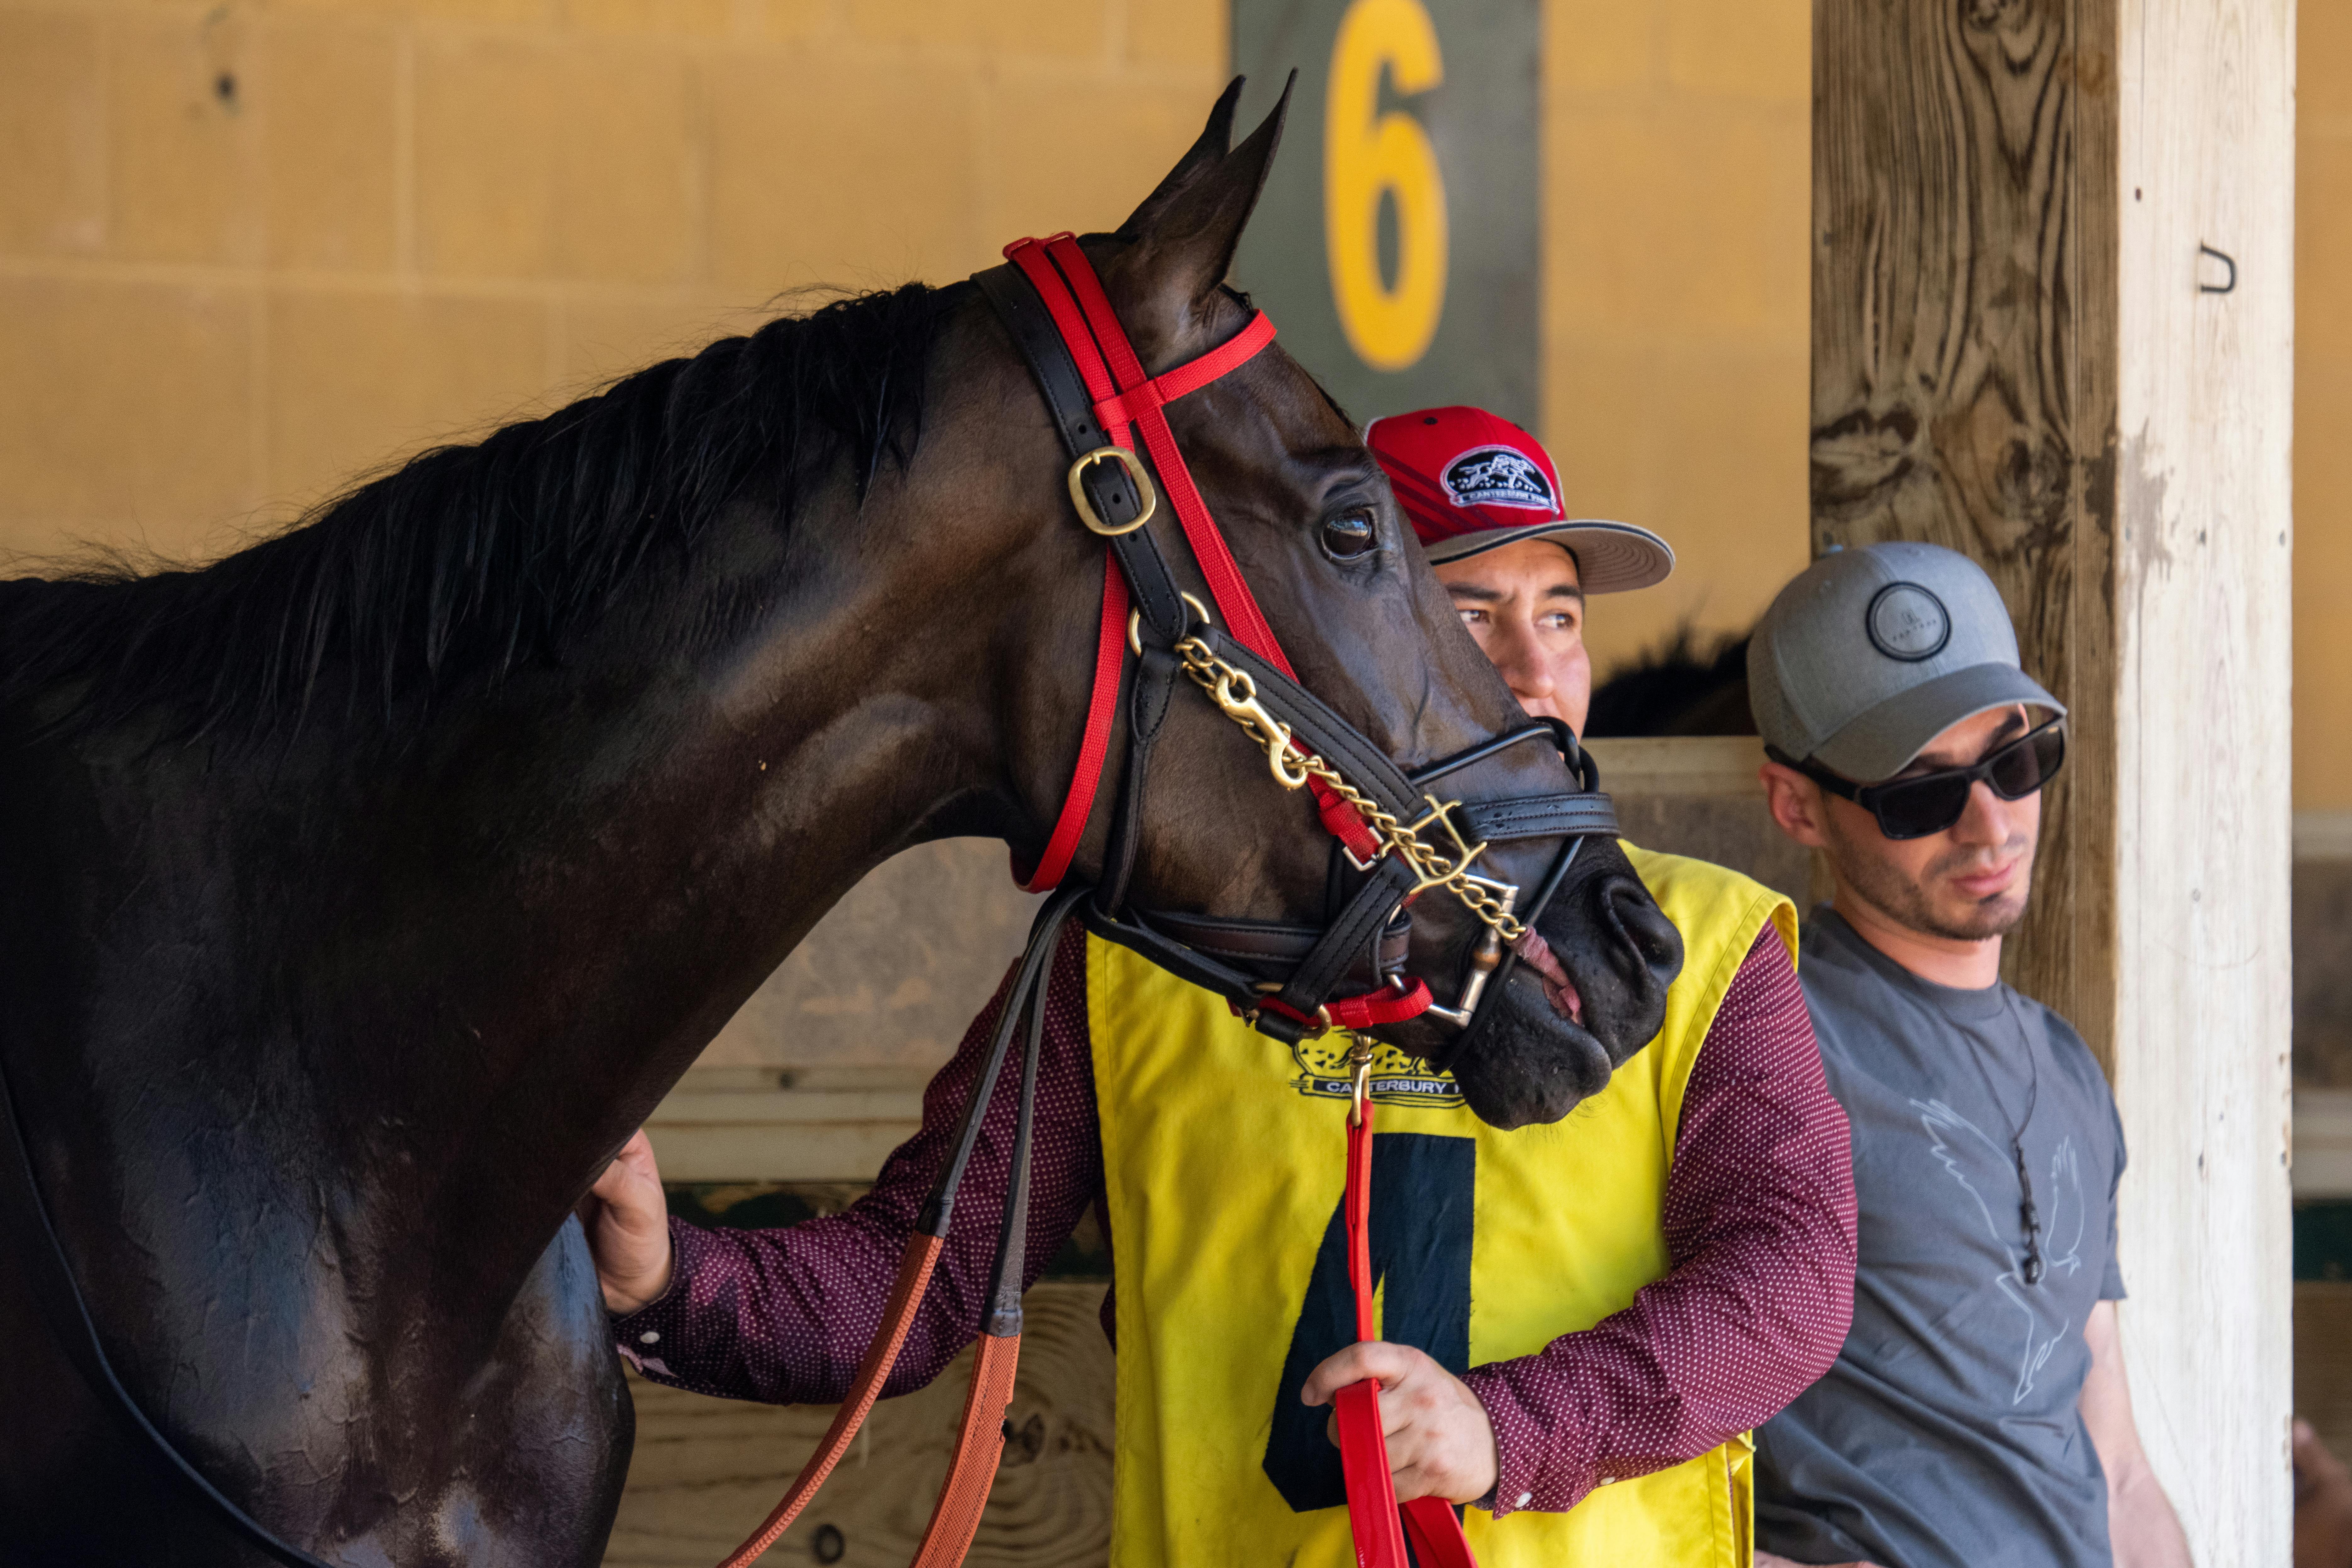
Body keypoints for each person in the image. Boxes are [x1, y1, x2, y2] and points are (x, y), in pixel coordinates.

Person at [583, 407, 1856, 1564]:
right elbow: (921, 1277)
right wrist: (665, 1279)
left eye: (1560, 614)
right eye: (1471, 618)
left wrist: (1507, 1427)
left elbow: (1791, 1277)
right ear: (1364, 650)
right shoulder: (1135, 952)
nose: (1535, 670)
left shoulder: (1700, 938)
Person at [1744, 542, 2191, 1568]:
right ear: (1797, 805)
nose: (1991, 823)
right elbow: (1614, 1384)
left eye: (2014, 762)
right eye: (1920, 792)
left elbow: (2114, 1459)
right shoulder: (1759, 1036)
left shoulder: (2071, 1067)